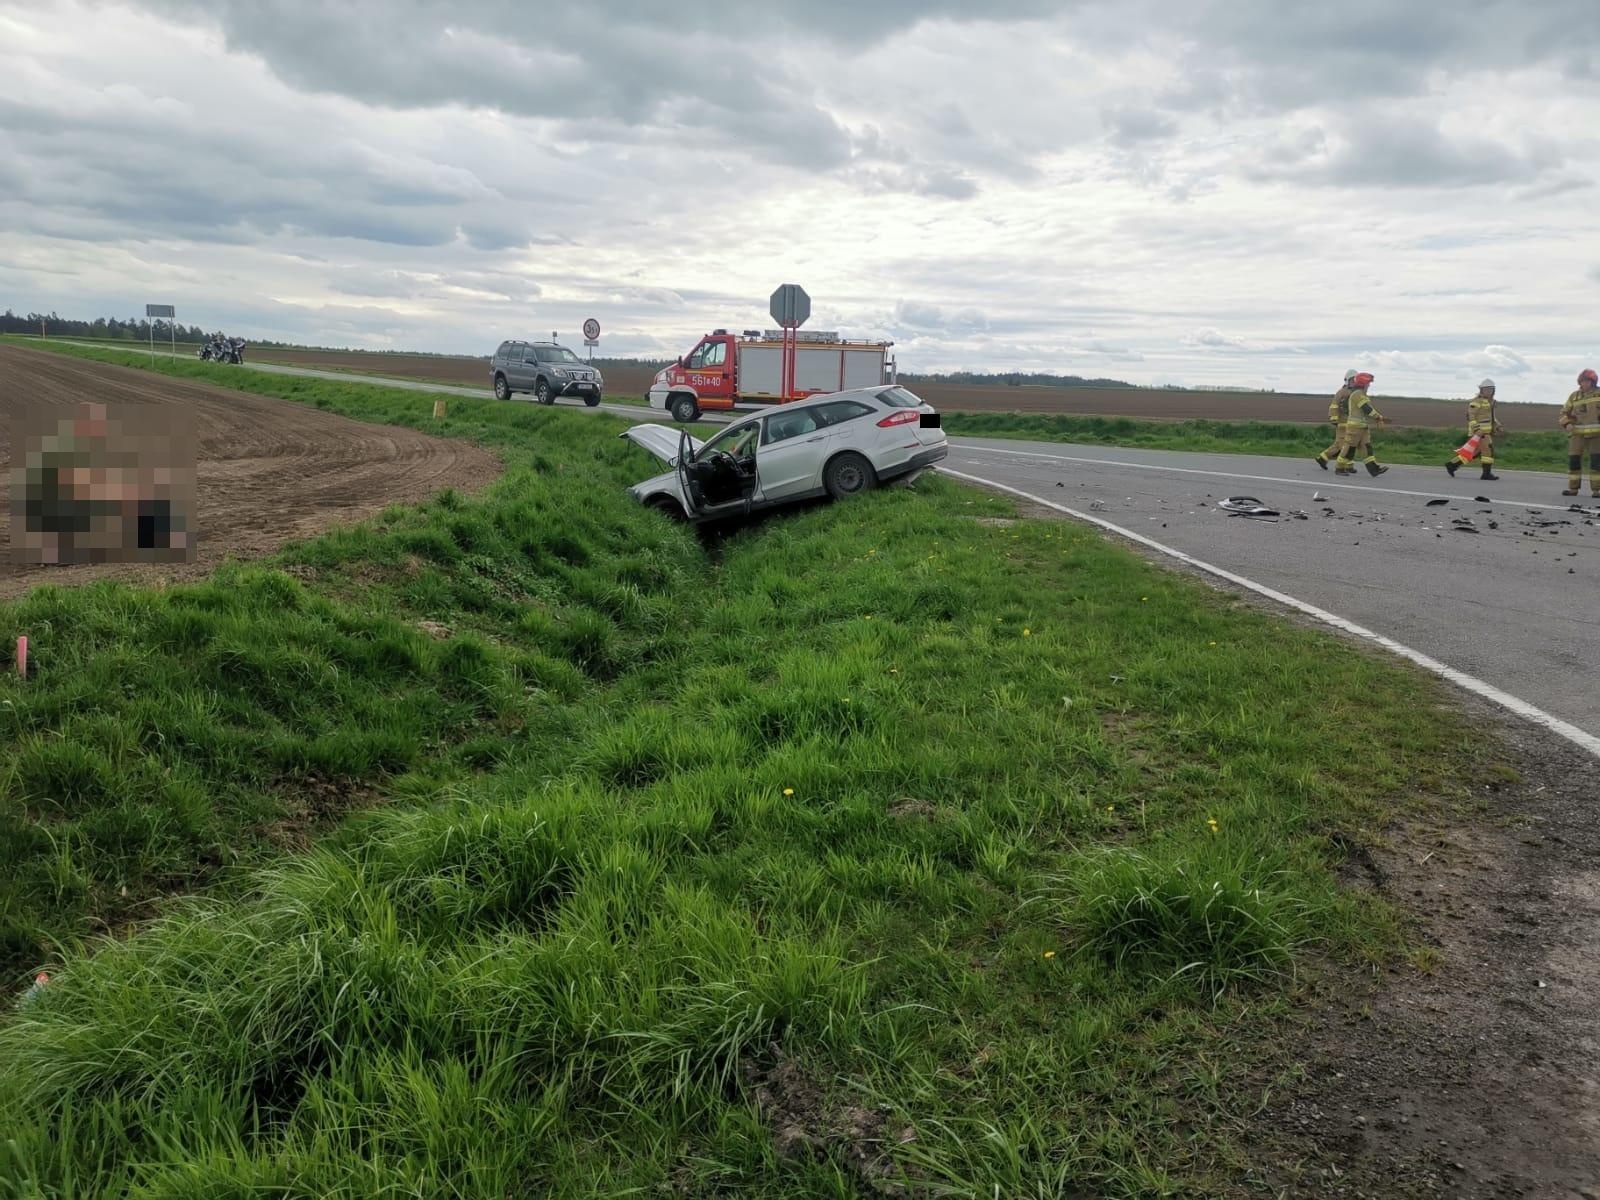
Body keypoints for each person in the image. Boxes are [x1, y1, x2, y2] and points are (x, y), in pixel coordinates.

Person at [1446, 379, 1503, 481]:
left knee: (1475, 452)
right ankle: (1486, 474)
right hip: (1480, 432)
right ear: (1481, 390)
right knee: (1488, 451)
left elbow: (1491, 417)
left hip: (1486, 432)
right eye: (1486, 389)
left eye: (1491, 389)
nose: (1489, 391)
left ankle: (1452, 464)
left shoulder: (1491, 402)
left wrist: (1497, 425)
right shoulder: (1476, 402)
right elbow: (1470, 416)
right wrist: (1477, 430)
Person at [1334, 372, 1389, 476]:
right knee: (1349, 448)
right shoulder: (1357, 394)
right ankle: (1339, 468)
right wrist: (1378, 417)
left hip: (1362, 427)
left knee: (1366, 447)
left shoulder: (1361, 394)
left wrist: (1377, 417)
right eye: (1368, 383)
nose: (1369, 385)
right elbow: (1366, 408)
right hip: (1355, 428)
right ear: (1363, 383)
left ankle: (1374, 469)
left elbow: (1366, 410)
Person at [1560, 368, 1600, 498]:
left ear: (1593, 382)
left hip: (1597, 435)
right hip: (1577, 435)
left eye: (1587, 381)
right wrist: (1567, 423)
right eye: (1582, 381)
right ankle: (1573, 489)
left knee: (1596, 463)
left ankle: (1596, 491)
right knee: (1574, 461)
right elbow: (1564, 413)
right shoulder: (1574, 396)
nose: (1585, 384)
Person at [1314, 369, 1358, 470]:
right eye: (1352, 380)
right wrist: (1334, 419)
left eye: (1355, 380)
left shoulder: (1355, 393)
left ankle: (1349, 465)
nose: (1354, 382)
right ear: (1347, 380)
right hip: (1342, 423)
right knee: (1340, 444)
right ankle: (1323, 457)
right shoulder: (1341, 392)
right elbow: (1334, 406)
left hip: (1351, 423)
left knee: (1351, 445)